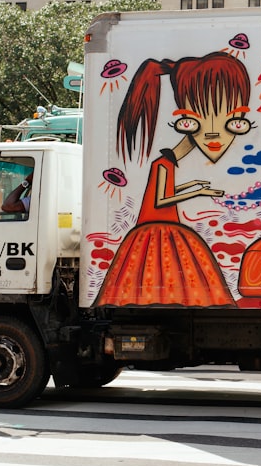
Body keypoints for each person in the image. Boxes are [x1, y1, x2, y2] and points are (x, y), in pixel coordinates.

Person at [95, 51, 251, 307]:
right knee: (168, 276)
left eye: (233, 121)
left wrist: (195, 185)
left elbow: (167, 191)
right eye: (194, 123)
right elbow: (161, 199)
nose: (212, 134)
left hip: (163, 226)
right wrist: (197, 192)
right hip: (155, 227)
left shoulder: (168, 164)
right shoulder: (162, 163)